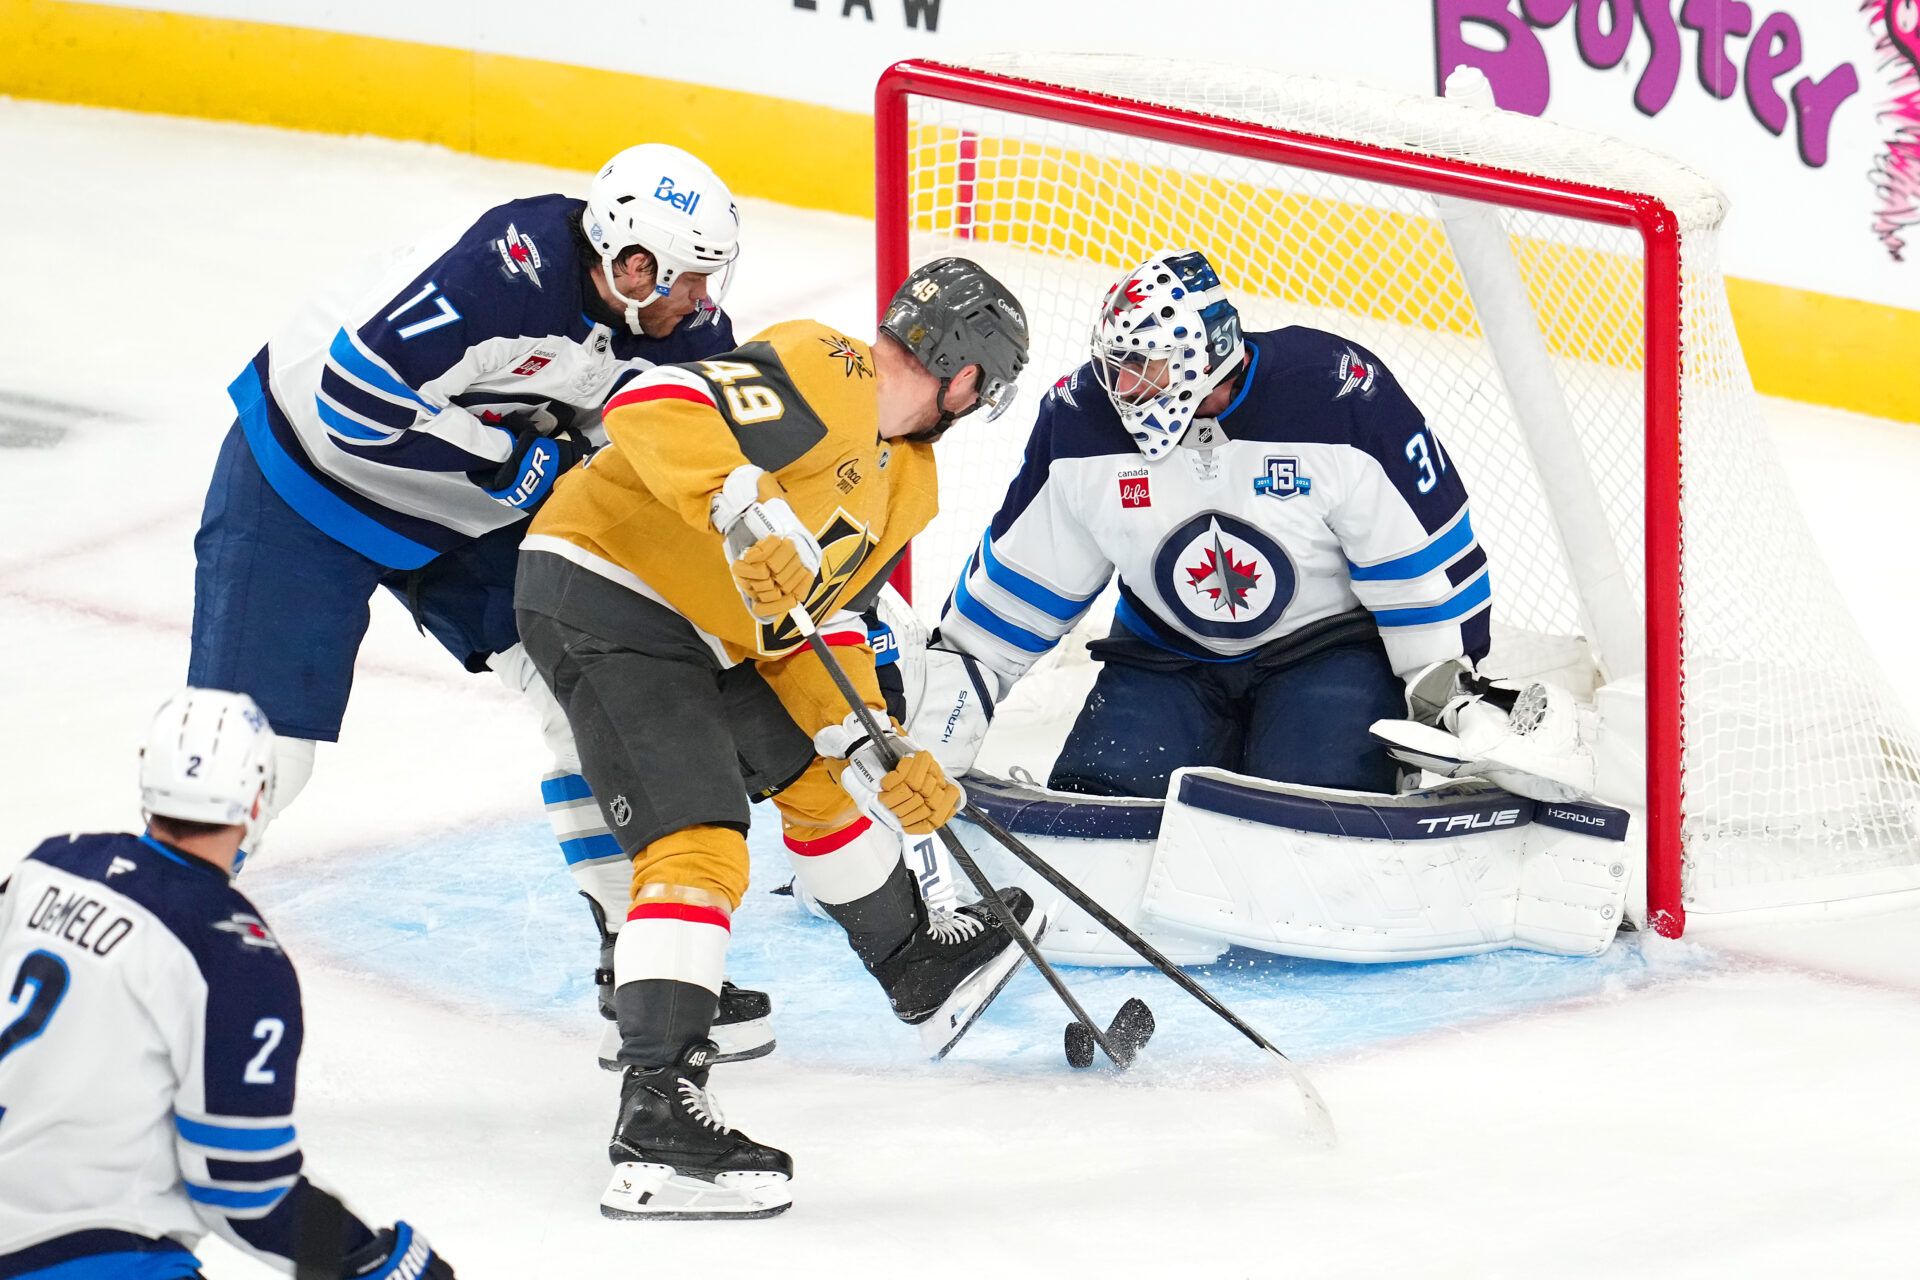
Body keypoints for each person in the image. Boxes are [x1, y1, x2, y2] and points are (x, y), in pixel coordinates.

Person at [184, 142, 773, 1063]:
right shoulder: (508, 267)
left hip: (467, 513)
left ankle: (646, 959)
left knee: (594, 700)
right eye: (688, 279)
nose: (704, 302)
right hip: (305, 482)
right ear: (630, 263)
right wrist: (506, 463)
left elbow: (700, 455)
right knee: (259, 755)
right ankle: (152, 937)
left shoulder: (684, 332)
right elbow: (351, 401)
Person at [514, 257, 1034, 1220]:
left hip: (710, 636)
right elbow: (657, 397)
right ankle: (656, 1110)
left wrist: (872, 742)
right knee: (700, 841)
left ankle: (914, 958)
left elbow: (816, 628)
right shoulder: (831, 369)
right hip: (606, 589)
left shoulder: (907, 481)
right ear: (968, 379)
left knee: (822, 782)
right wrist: (740, 498)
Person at [911, 248, 1492, 799]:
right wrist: (946, 701)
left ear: (1206, 356)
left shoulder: (1336, 395)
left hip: (1327, 650)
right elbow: (1020, 587)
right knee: (1101, 806)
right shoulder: (1083, 419)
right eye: (1116, 365)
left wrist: (1446, 688)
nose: (1123, 389)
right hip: (1165, 655)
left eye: (1146, 366)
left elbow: (1419, 561)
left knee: (1318, 809)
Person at [0, 688, 455, 1279]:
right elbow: (245, 1191)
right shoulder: (234, 953)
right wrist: (378, 1262)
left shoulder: (48, 865)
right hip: (89, 1252)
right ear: (257, 796)